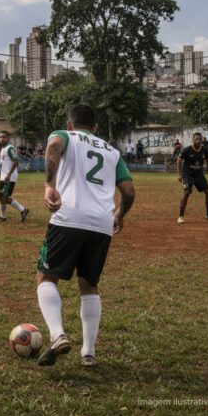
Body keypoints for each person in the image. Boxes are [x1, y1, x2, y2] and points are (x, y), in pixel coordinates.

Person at [36, 104, 134, 368]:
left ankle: (57, 335)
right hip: (102, 225)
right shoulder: (113, 152)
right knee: (89, 285)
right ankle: (88, 353)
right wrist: (119, 215)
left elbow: (54, 144)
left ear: (69, 124)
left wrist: (48, 186)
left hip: (68, 218)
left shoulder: (65, 136)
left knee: (46, 277)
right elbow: (129, 192)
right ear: (96, 128)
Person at [177, 132, 208, 224]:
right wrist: (180, 174)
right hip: (188, 174)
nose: (198, 141)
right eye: (196, 139)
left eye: (200, 139)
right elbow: (178, 160)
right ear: (193, 140)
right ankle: (181, 216)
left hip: (199, 174)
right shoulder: (187, 150)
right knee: (186, 192)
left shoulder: (204, 150)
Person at [0, 131, 29, 223]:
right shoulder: (3, 148)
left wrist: (8, 174)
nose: (2, 139)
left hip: (9, 176)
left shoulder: (10, 148)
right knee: (2, 196)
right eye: (0, 137)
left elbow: (15, 161)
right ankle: (21, 211)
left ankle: (5, 216)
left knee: (3, 196)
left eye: (4, 137)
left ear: (8, 138)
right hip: (4, 176)